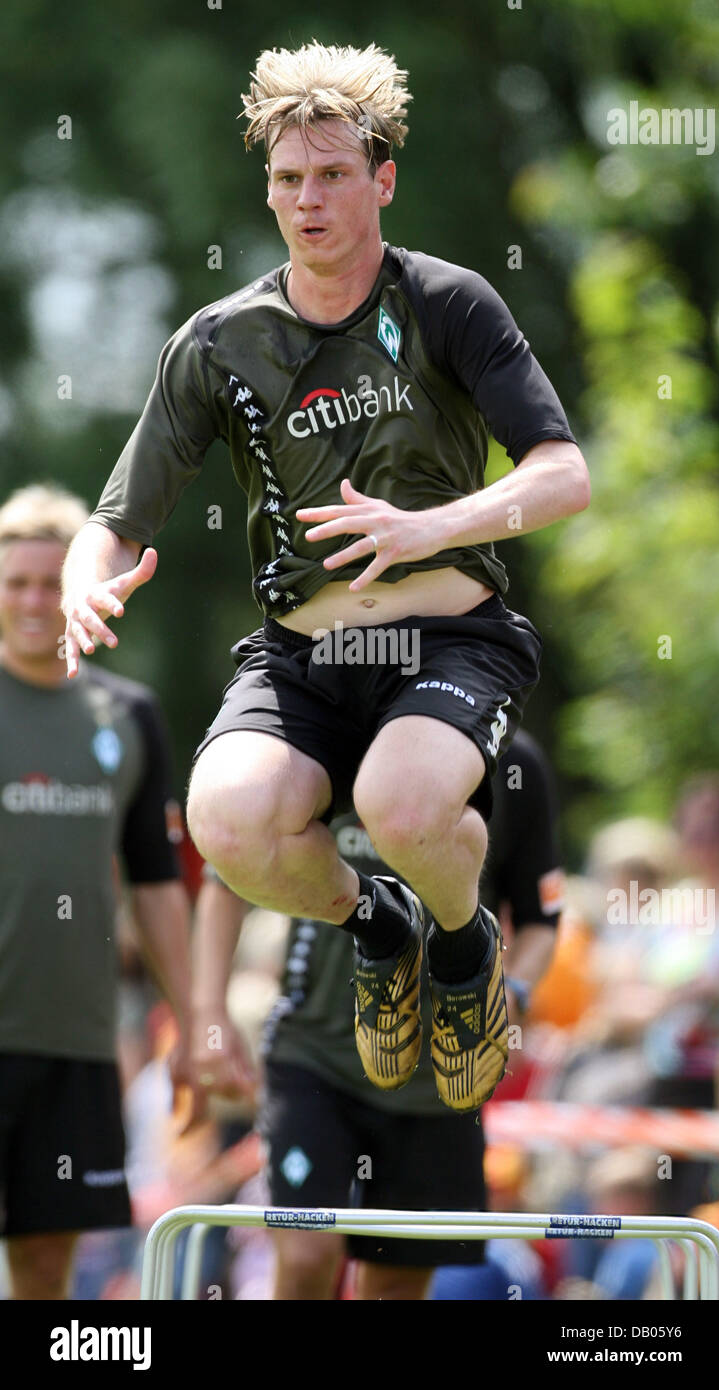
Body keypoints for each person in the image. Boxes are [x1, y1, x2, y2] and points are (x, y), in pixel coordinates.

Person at [60, 40, 589, 1114]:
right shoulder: (218, 341)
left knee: (401, 804)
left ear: (381, 180)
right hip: (306, 653)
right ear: (268, 188)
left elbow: (564, 473)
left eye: (334, 174)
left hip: (448, 639)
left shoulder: (450, 302)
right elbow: (116, 520)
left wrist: (429, 524)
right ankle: (380, 923)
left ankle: (459, 939)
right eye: (290, 178)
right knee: (228, 820)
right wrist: (85, 578)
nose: (309, 199)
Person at [193, 730, 563, 1300]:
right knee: (308, 1252)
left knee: (397, 1284)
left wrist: (514, 991)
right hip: (314, 1055)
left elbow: (541, 919)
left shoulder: (512, 759)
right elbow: (225, 880)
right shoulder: (322, 727)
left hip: (443, 1076)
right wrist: (208, 1014)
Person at [0, 484, 196, 1300]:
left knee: (47, 1271)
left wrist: (195, 1022)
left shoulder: (128, 716)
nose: (36, 600)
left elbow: (156, 886)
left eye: (54, 582)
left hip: (76, 1044)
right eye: (16, 583)